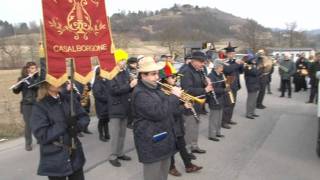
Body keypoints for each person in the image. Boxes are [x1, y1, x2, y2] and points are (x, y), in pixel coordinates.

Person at [30, 81, 89, 180]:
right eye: (54, 79)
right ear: (46, 84)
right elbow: (42, 135)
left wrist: (77, 127)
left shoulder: (69, 99)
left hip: (75, 153)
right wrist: (64, 124)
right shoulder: (40, 106)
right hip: (54, 157)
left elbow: (84, 117)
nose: (58, 81)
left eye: (60, 78)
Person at [131, 57, 177, 180]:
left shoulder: (156, 88)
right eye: (153, 74)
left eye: (157, 73)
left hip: (164, 139)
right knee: (153, 176)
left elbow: (167, 109)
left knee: (163, 175)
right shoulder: (140, 93)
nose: (157, 77)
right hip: (151, 142)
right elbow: (158, 113)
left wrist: (182, 103)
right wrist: (174, 97)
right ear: (143, 76)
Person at [159, 63, 203, 177]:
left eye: (176, 77)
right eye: (173, 77)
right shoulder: (163, 92)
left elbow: (178, 105)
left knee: (182, 145)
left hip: (177, 122)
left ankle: (188, 165)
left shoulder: (174, 89)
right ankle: (171, 167)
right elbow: (170, 110)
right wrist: (183, 106)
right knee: (171, 148)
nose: (175, 79)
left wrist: (185, 100)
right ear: (165, 79)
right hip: (170, 123)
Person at [180, 51, 213, 154]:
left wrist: (206, 82)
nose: (203, 64)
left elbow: (199, 84)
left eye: (204, 62)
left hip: (198, 103)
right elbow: (187, 90)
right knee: (190, 127)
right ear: (194, 61)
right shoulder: (186, 71)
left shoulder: (198, 70)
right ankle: (187, 150)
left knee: (195, 126)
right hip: (190, 104)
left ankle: (194, 145)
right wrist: (205, 90)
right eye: (201, 62)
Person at [108, 52, 137, 167]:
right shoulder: (111, 74)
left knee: (122, 134)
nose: (124, 62)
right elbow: (114, 90)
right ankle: (113, 156)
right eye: (121, 60)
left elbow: (127, 89)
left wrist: (132, 83)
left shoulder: (125, 72)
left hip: (125, 107)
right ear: (115, 61)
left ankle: (120, 153)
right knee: (115, 134)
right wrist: (130, 85)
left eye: (124, 60)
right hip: (115, 108)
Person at [12, 61, 40, 151]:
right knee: (28, 124)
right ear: (28, 69)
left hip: (37, 104)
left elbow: (35, 86)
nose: (34, 69)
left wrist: (29, 79)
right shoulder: (22, 79)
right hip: (26, 104)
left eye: (35, 68)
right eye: (32, 68)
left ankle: (40, 138)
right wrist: (16, 87)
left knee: (39, 122)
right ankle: (28, 144)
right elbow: (16, 92)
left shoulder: (38, 78)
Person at [222, 42, 244, 129]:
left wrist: (241, 64)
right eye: (231, 53)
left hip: (235, 85)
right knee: (227, 104)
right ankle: (223, 121)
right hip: (228, 85)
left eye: (233, 53)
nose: (232, 55)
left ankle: (228, 119)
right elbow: (228, 70)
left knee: (232, 103)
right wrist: (237, 64)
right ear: (227, 54)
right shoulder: (224, 62)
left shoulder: (235, 62)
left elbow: (241, 71)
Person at [207, 59, 228, 141]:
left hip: (221, 98)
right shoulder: (211, 76)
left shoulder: (221, 75)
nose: (223, 68)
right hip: (214, 99)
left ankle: (217, 132)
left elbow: (223, 85)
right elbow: (212, 89)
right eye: (221, 66)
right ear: (217, 67)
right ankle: (212, 135)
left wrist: (227, 84)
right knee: (214, 118)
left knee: (219, 117)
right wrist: (223, 90)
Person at [92, 68, 110, 142]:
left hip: (106, 104)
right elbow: (98, 95)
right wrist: (108, 99)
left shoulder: (104, 81)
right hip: (101, 105)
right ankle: (101, 135)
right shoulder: (97, 83)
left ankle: (107, 134)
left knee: (106, 120)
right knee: (102, 120)